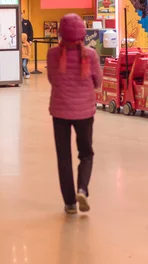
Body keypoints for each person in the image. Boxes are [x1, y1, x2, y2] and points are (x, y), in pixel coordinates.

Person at [47, 13, 102, 214]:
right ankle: (82, 189)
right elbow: (98, 81)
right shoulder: (91, 55)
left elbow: (52, 78)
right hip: (85, 112)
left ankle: (69, 203)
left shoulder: (52, 54)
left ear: (61, 33)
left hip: (60, 112)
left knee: (63, 156)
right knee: (86, 153)